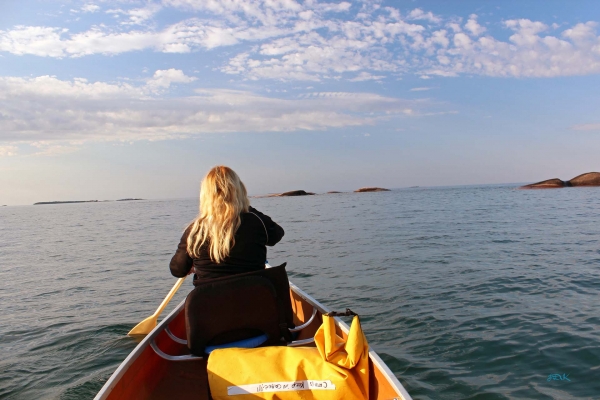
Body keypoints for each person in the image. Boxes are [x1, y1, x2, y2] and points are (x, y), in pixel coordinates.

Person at [169, 166, 284, 283]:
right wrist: (244, 206)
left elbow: (177, 270)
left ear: (205, 195)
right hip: (254, 298)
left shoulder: (194, 230)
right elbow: (277, 235)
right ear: (239, 190)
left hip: (210, 299)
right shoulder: (257, 222)